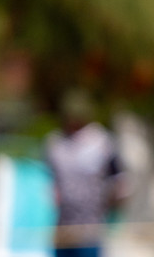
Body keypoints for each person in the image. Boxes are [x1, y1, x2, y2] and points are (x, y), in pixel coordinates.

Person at [43, 91, 125, 257]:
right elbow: (48, 182)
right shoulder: (55, 143)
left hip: (90, 229)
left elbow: (120, 182)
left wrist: (110, 210)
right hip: (62, 229)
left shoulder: (101, 141)